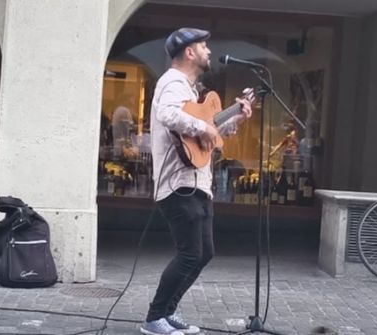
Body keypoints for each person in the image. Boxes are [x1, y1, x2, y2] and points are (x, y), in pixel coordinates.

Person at [141, 27, 253, 335]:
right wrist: (203, 128)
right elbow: (167, 114)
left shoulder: (192, 91)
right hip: (178, 185)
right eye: (203, 46)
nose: (208, 51)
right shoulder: (172, 82)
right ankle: (154, 318)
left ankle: (167, 311)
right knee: (190, 252)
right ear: (189, 51)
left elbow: (214, 134)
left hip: (198, 184)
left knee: (204, 252)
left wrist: (236, 118)